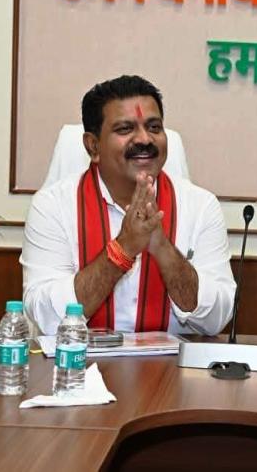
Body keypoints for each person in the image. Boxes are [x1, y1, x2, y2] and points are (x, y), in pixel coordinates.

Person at [21, 75, 235, 336]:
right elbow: (46, 316)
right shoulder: (52, 207)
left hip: (172, 362)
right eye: (125, 129)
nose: (144, 139)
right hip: (81, 359)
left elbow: (216, 319)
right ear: (93, 146)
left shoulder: (200, 206)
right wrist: (122, 249)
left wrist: (164, 249)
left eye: (154, 127)